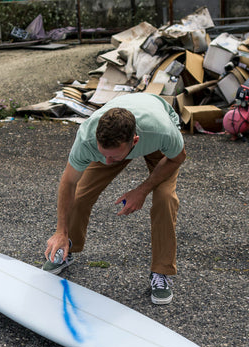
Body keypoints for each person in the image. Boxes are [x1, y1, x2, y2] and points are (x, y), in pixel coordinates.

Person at [43, 92, 186, 305]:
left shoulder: (162, 131)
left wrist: (142, 190)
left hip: (156, 144)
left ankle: (161, 272)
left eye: (114, 157)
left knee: (165, 199)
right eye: (103, 154)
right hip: (117, 141)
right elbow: (68, 183)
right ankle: (67, 247)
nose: (107, 162)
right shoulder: (88, 138)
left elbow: (178, 158)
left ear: (134, 141)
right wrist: (60, 231)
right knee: (81, 194)